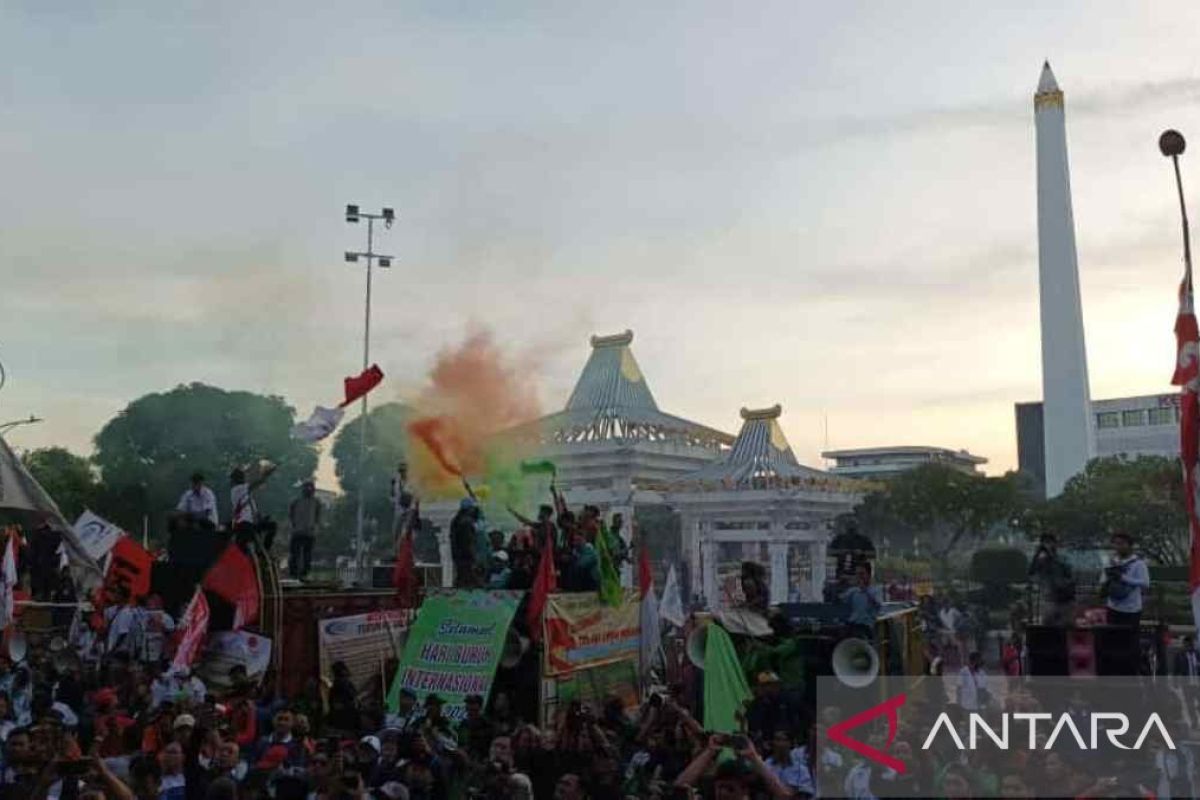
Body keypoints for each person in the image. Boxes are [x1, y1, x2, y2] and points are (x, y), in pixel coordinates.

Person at [1104, 532, 1150, 630]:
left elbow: (1145, 583)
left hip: (1131, 609)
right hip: (1113, 607)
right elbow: (1103, 578)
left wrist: (1124, 578)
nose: (1118, 547)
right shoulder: (1111, 561)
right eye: (1116, 544)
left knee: (1129, 641)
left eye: (1121, 543)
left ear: (1129, 545)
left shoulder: (1138, 563)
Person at [1028, 532, 1074, 625]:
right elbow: (1032, 572)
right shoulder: (1041, 558)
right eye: (1046, 543)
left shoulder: (1061, 558)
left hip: (1064, 598)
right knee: (1049, 626)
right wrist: (1039, 553)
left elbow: (1068, 573)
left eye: (1051, 542)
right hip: (1050, 599)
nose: (1049, 545)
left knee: (1065, 626)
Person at [287, 482, 322, 581]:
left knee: (305, 555)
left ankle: (303, 574)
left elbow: (317, 517)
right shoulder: (296, 501)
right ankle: (295, 574)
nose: (309, 490)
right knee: (296, 554)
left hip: (306, 533)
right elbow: (291, 516)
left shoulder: (316, 502)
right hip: (299, 532)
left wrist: (314, 528)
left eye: (310, 488)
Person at [840, 562, 881, 641]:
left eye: (862, 574)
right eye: (857, 574)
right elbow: (841, 600)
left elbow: (877, 604)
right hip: (852, 624)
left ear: (869, 575)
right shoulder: (853, 591)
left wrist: (865, 590)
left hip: (866, 626)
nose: (859, 577)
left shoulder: (876, 590)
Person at [450, 499, 480, 589]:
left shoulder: (456, 520)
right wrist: (474, 557)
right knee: (468, 582)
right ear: (469, 509)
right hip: (466, 558)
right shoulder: (467, 522)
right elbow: (468, 542)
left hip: (458, 557)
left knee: (461, 580)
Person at [390, 463, 415, 539]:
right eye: (401, 471)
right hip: (399, 508)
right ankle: (396, 545)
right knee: (395, 532)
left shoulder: (411, 482)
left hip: (409, 508)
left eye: (404, 471)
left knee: (407, 528)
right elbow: (392, 495)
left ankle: (407, 535)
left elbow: (414, 496)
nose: (403, 473)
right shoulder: (396, 482)